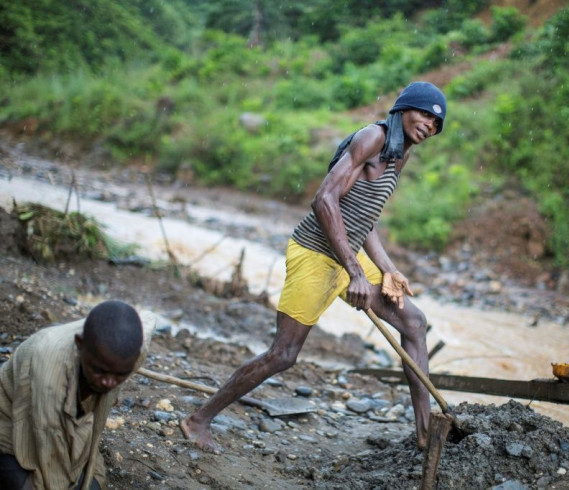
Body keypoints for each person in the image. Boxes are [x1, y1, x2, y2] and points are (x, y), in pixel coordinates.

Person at [181, 81, 447, 453]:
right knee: (283, 355)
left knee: (413, 322)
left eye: (436, 125)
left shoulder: (401, 154)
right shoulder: (373, 137)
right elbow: (324, 199)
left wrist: (388, 268)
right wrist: (355, 272)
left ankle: (425, 435)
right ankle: (198, 419)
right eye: (424, 116)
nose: (429, 127)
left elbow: (364, 218)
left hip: (348, 257)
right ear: (404, 109)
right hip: (315, 253)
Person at [0, 300, 156, 490]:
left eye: (120, 375)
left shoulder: (133, 351)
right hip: (15, 420)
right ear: (79, 344)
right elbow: (51, 465)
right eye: (100, 371)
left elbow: (148, 319)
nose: (109, 383)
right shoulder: (50, 376)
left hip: (66, 422)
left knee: (93, 485)